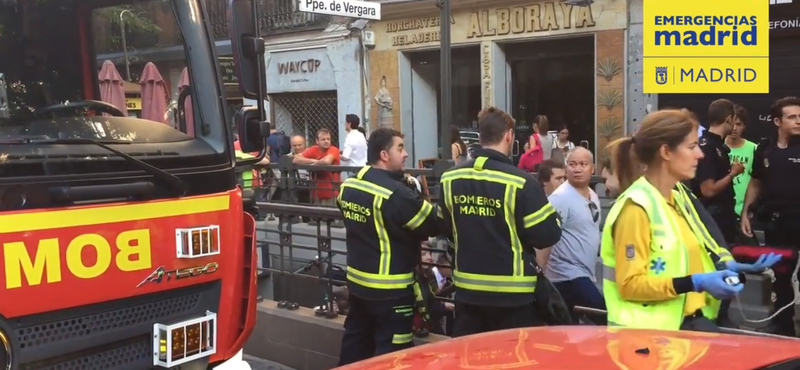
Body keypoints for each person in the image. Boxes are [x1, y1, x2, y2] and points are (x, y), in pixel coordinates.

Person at [601, 109, 758, 332]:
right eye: (692, 147)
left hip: (688, 326)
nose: (700, 155)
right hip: (650, 341)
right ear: (666, 151)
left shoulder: (678, 199)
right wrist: (696, 282)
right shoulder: (636, 207)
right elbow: (630, 285)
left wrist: (720, 270)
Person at [437, 106, 562, 337]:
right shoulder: (521, 182)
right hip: (513, 297)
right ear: (509, 136)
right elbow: (547, 235)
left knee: (469, 359)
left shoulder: (450, 179)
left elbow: (443, 225)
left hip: (467, 292)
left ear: (480, 137)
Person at [336, 127, 439, 365]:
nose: (405, 154)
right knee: (393, 353)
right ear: (384, 155)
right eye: (400, 148)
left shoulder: (350, 185)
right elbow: (432, 224)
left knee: (356, 342)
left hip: (358, 283)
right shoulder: (397, 195)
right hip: (391, 289)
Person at [741, 96, 800, 337]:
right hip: (778, 223)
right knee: (782, 276)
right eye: (792, 117)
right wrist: (745, 212)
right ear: (777, 121)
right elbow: (755, 183)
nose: (798, 121)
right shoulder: (764, 148)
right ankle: (783, 328)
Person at [545, 147, 606, 324]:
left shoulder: (593, 195)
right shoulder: (560, 198)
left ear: (592, 169)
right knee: (603, 315)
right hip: (566, 275)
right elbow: (546, 236)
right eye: (572, 164)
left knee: (569, 329)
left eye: (583, 164)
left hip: (585, 273)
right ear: (566, 169)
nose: (577, 169)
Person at [691, 99, 741, 244]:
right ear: (729, 119)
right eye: (734, 121)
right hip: (714, 218)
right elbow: (708, 190)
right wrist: (733, 173)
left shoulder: (718, 145)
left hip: (723, 216)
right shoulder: (708, 147)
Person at [725, 105, 757, 237]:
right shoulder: (716, 149)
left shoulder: (754, 149)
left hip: (745, 210)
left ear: (744, 126)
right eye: (731, 124)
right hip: (723, 210)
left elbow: (757, 182)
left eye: (738, 124)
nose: (734, 128)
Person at [293, 128, 341, 207]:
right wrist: (314, 161)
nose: (326, 141)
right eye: (323, 139)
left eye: (328, 139)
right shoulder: (314, 149)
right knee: (317, 216)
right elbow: (296, 159)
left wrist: (314, 164)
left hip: (331, 193)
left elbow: (326, 161)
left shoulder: (333, 149)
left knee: (331, 216)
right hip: (316, 193)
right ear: (317, 141)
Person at [342, 114, 368, 179]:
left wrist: (337, 154)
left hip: (353, 169)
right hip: (363, 168)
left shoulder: (350, 136)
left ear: (349, 124)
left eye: (346, 122)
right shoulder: (361, 135)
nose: (345, 124)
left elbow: (345, 157)